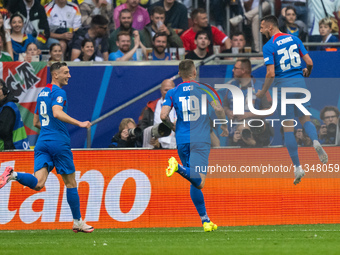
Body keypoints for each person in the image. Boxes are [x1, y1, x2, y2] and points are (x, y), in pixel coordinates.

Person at [0, 62, 94, 233]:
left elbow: (36, 122)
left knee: (38, 184)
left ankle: (13, 174)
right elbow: (57, 112)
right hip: (58, 143)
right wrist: (79, 123)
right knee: (71, 184)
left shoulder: (43, 92)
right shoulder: (59, 92)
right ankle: (78, 222)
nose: (69, 75)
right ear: (55, 75)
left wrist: (48, 132)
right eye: (66, 72)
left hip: (42, 142)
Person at [257, 15, 328, 185]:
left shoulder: (269, 46)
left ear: (269, 27)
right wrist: (307, 72)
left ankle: (297, 167)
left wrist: (262, 92)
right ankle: (316, 142)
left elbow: (271, 73)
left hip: (284, 88)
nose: (260, 30)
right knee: (306, 120)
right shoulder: (294, 39)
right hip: (300, 84)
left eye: (261, 27)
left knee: (288, 128)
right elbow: (309, 62)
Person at [160, 59, 229, 232]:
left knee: (194, 180)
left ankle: (205, 220)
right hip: (200, 138)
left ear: (179, 74)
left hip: (182, 139)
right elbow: (219, 108)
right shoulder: (205, 88)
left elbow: (162, 116)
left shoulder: (173, 92)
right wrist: (223, 125)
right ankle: (177, 168)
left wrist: (173, 127)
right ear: (194, 72)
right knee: (200, 181)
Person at [139, 78, 176, 149]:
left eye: (171, 90)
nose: (168, 92)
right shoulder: (150, 107)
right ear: (161, 90)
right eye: (166, 90)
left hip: (177, 147)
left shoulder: (182, 106)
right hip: (156, 148)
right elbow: (142, 127)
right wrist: (151, 138)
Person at [0, 79, 29, 150]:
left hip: (12, 149)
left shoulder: (8, 107)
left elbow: (3, 131)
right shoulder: (4, 106)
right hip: (13, 148)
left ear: (4, 90)